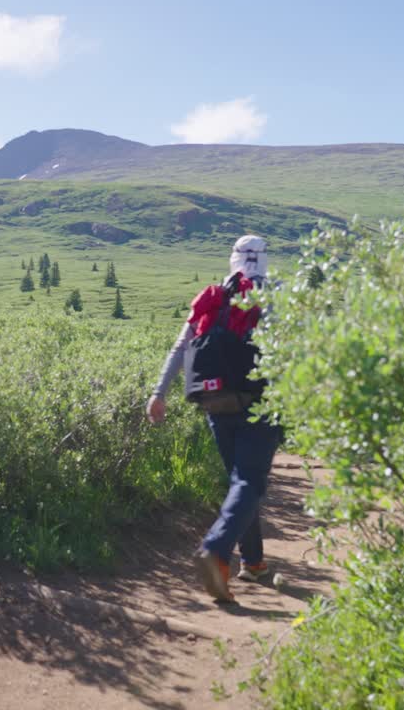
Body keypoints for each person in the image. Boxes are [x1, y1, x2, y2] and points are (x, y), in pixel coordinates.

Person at [146, 235, 283, 603]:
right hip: (260, 404)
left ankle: (253, 564)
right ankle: (217, 550)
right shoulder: (275, 295)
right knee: (249, 483)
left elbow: (182, 347)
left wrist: (160, 392)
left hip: (215, 403)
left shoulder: (215, 296)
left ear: (232, 259)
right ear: (265, 261)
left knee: (241, 482)